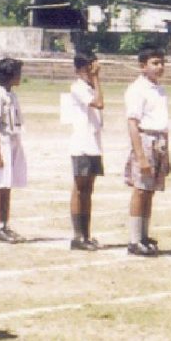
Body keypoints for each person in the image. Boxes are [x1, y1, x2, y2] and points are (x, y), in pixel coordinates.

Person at [123, 43, 171, 257]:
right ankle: (134, 240)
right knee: (140, 190)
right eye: (155, 63)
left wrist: (167, 154)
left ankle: (144, 235)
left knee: (150, 191)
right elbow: (133, 124)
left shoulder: (160, 89)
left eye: (161, 62)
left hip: (159, 139)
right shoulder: (136, 89)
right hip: (145, 139)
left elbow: (164, 123)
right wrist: (141, 156)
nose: (159, 66)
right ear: (143, 66)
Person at [0, 57, 27, 243]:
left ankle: (5, 223)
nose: (20, 77)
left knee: (8, 185)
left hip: (13, 141)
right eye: (18, 73)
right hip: (2, 143)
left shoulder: (12, 95)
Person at [67, 51, 104, 251]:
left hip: (94, 144)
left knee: (88, 191)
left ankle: (86, 234)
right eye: (90, 67)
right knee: (80, 189)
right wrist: (96, 79)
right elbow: (99, 103)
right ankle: (78, 236)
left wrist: (95, 81)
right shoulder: (77, 88)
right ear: (81, 69)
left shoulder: (90, 87)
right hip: (82, 144)